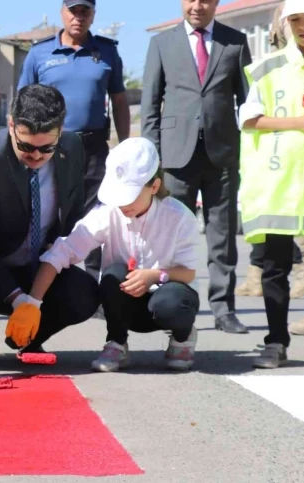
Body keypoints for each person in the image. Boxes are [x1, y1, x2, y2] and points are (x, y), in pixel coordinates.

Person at [0, 85, 98, 366]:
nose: (36, 156)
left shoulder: (72, 148)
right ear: (12, 125)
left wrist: (41, 282)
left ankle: (28, 335)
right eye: (26, 146)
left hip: (32, 263)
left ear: (60, 132)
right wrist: (15, 297)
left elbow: (73, 209)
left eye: (46, 148)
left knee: (84, 294)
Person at [11, 137, 201, 372]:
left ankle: (182, 338)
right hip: (125, 305)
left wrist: (154, 275)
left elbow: (188, 272)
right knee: (113, 274)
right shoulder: (108, 213)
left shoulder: (179, 217)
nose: (123, 205)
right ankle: (116, 342)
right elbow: (62, 252)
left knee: (173, 302)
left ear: (154, 186)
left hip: (163, 299)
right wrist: (32, 303)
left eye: (129, 195)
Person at [141, 0, 251, 334]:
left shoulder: (235, 41)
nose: (197, 6)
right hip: (175, 156)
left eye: (206, 0)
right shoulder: (162, 43)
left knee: (223, 237)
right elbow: (150, 105)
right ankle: (173, 306)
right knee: (172, 235)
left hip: (222, 155)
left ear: (216, 3)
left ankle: (223, 309)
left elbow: (248, 103)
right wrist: (151, 159)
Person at [18, 0, 130, 284]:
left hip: (94, 147)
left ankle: (93, 282)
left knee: (96, 213)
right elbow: (22, 102)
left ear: (93, 15)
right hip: (49, 148)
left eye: (85, 11)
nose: (78, 17)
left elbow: (118, 100)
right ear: (62, 12)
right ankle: (44, 278)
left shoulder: (107, 52)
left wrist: (125, 145)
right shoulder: (39, 53)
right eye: (73, 10)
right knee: (49, 210)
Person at [237, 0, 304, 368]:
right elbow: (250, 119)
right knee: (275, 267)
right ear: (285, 23)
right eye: (296, 20)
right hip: (281, 183)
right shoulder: (267, 68)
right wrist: (297, 122)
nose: (303, 27)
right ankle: (276, 340)